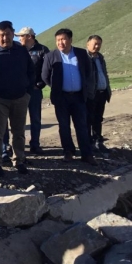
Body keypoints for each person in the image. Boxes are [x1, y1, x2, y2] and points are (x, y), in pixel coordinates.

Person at [0, 21, 34, 176]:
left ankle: (19, 160)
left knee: (19, 132)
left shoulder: (21, 51)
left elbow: (31, 72)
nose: (5, 38)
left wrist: (28, 92)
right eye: (1, 35)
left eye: (8, 34)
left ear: (12, 33)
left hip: (20, 98)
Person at [41, 28, 98, 166]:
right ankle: (68, 152)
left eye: (63, 39)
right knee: (64, 126)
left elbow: (88, 72)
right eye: (58, 40)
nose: (61, 42)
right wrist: (56, 87)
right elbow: (45, 76)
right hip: (61, 98)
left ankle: (86, 154)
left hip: (79, 97)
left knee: (82, 126)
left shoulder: (81, 53)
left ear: (70, 40)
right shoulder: (51, 56)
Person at [15, 27, 50, 154]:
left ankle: (35, 144)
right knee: (19, 119)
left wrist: (39, 85)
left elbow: (47, 70)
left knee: (35, 118)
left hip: (35, 90)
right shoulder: (18, 50)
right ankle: (19, 147)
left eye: (21, 36)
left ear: (29, 36)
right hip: (21, 91)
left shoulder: (43, 50)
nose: (19, 38)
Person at [86, 35, 111, 153]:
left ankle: (98, 141)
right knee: (89, 119)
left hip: (102, 93)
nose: (97, 46)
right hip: (91, 94)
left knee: (98, 118)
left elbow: (104, 74)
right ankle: (88, 143)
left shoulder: (100, 58)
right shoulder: (84, 58)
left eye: (99, 44)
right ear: (88, 44)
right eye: (95, 44)